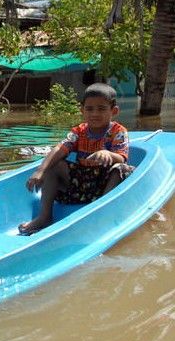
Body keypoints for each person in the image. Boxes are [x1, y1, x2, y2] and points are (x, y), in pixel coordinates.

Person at [18, 83, 134, 235]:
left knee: (124, 169)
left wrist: (109, 155)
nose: (95, 114)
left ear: (114, 111)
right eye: (89, 109)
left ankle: (102, 212)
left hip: (104, 185)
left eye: (101, 108)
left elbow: (122, 157)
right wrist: (40, 171)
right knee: (55, 165)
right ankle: (45, 216)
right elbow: (60, 148)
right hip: (81, 186)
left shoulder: (118, 131)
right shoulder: (79, 131)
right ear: (82, 111)